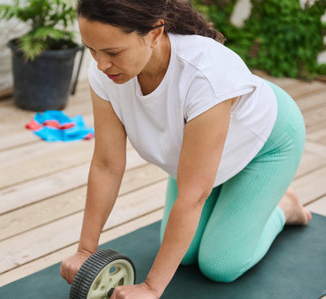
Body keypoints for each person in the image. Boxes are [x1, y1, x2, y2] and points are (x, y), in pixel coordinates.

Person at [60, 0, 312, 298]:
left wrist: (151, 288)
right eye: (92, 49)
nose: (101, 64)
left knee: (219, 264)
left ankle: (285, 206)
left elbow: (193, 196)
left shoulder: (206, 76)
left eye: (113, 52)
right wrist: (86, 250)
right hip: (200, 156)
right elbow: (107, 164)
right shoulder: (105, 71)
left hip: (266, 143)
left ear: (154, 34)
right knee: (187, 254)